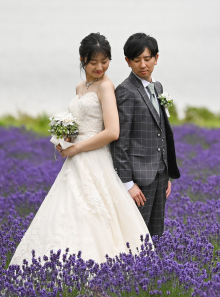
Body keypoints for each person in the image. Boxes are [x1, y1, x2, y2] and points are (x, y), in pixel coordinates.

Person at [10, 33, 150, 266]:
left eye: (105, 62)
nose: (99, 67)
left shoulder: (106, 86)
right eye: (93, 62)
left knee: (94, 214)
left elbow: (112, 132)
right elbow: (82, 122)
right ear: (82, 59)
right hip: (74, 159)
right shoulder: (80, 86)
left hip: (95, 158)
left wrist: (76, 148)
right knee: (66, 212)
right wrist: (64, 137)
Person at [111, 33, 180, 236]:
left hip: (160, 174)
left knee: (156, 233)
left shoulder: (157, 87)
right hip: (138, 179)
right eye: (136, 60)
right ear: (127, 61)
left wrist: (166, 173)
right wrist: (128, 184)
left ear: (156, 58)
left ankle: (152, 268)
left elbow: (161, 132)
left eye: (147, 59)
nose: (143, 65)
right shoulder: (125, 91)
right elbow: (119, 143)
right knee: (136, 236)